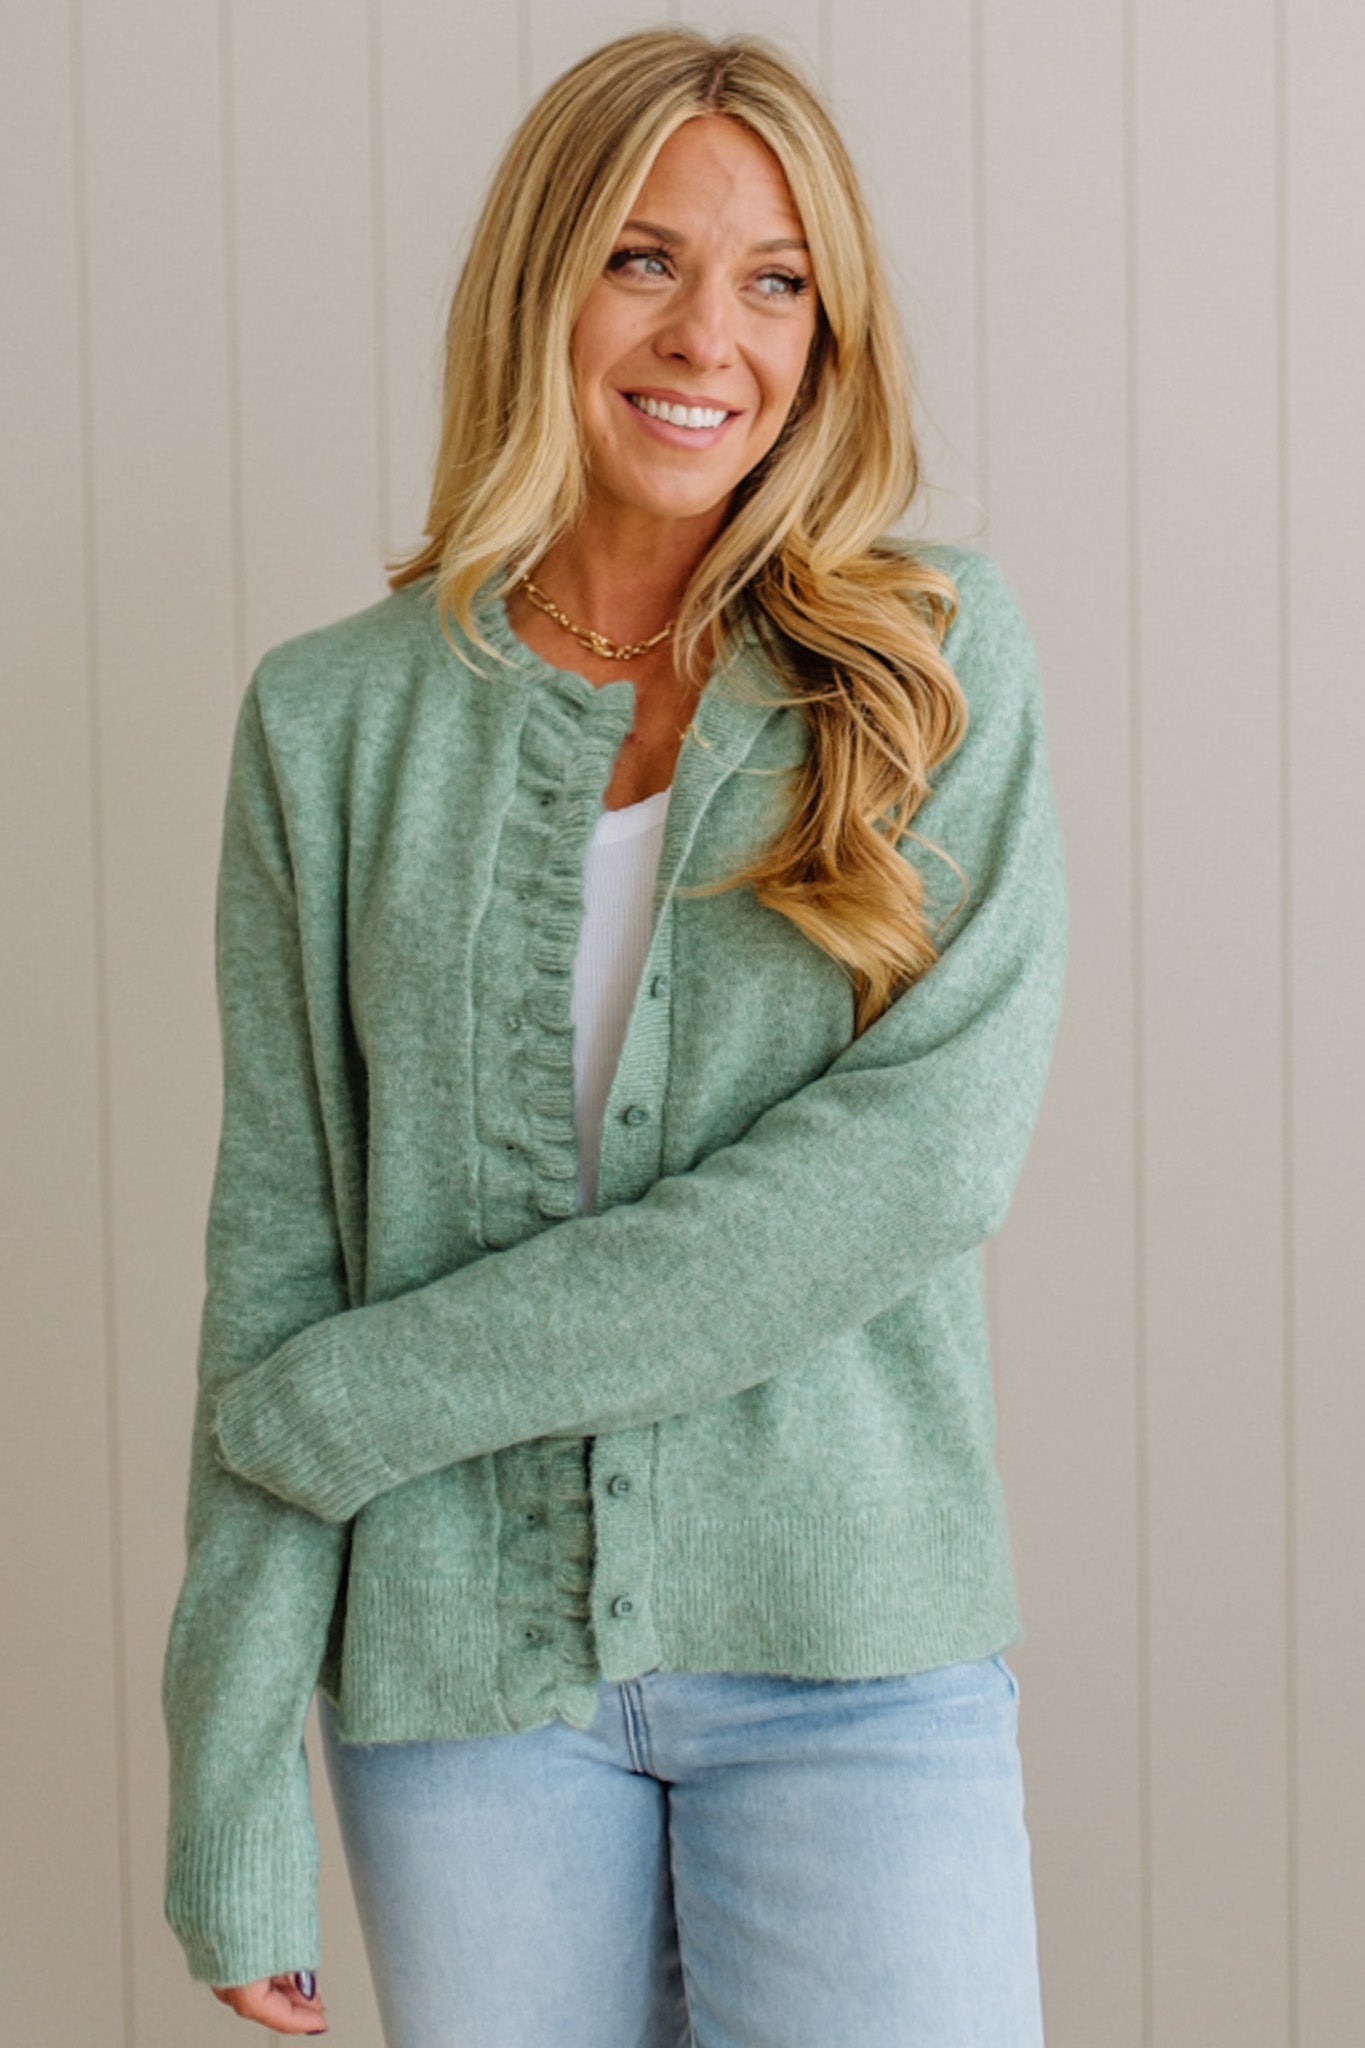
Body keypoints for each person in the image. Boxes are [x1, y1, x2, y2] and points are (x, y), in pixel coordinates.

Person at [160, 26, 1068, 2046]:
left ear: (827, 335)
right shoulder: (329, 723)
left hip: (852, 1659)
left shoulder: (924, 664)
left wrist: (367, 1398)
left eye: (774, 279)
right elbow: (273, 1258)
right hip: (459, 1693)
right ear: (540, 283)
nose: (706, 335)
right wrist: (228, 1791)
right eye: (642, 258)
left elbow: (920, 1165)